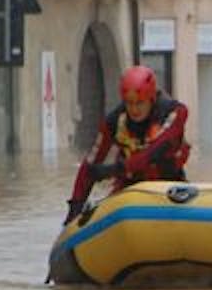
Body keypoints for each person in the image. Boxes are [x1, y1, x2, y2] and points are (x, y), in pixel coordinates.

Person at [64, 65, 190, 224]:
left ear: (151, 98)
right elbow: (90, 164)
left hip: (170, 184)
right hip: (130, 189)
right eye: (129, 103)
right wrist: (75, 207)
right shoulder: (114, 121)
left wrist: (115, 169)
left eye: (140, 103)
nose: (134, 109)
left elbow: (155, 151)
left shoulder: (174, 113)